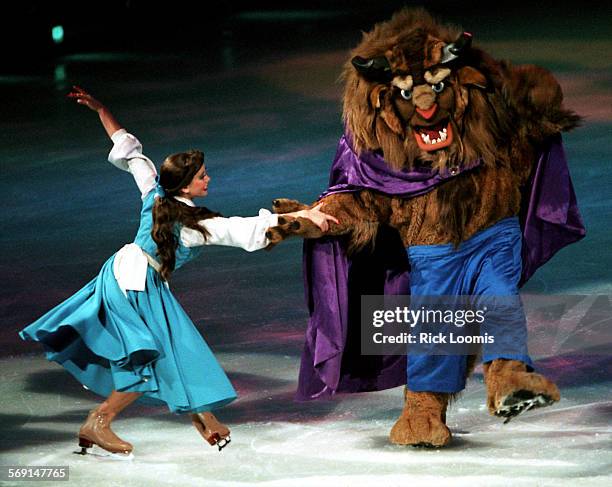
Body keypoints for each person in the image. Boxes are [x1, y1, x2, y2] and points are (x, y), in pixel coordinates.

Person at [19, 86, 338, 458]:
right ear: (186, 185)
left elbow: (129, 150)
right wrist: (305, 216)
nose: (208, 180)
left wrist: (101, 108)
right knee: (148, 355)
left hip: (125, 275)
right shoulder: (194, 225)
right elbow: (247, 228)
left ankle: (205, 419)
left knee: (173, 349)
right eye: (202, 176)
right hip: (136, 286)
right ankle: (100, 421)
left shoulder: (153, 190)